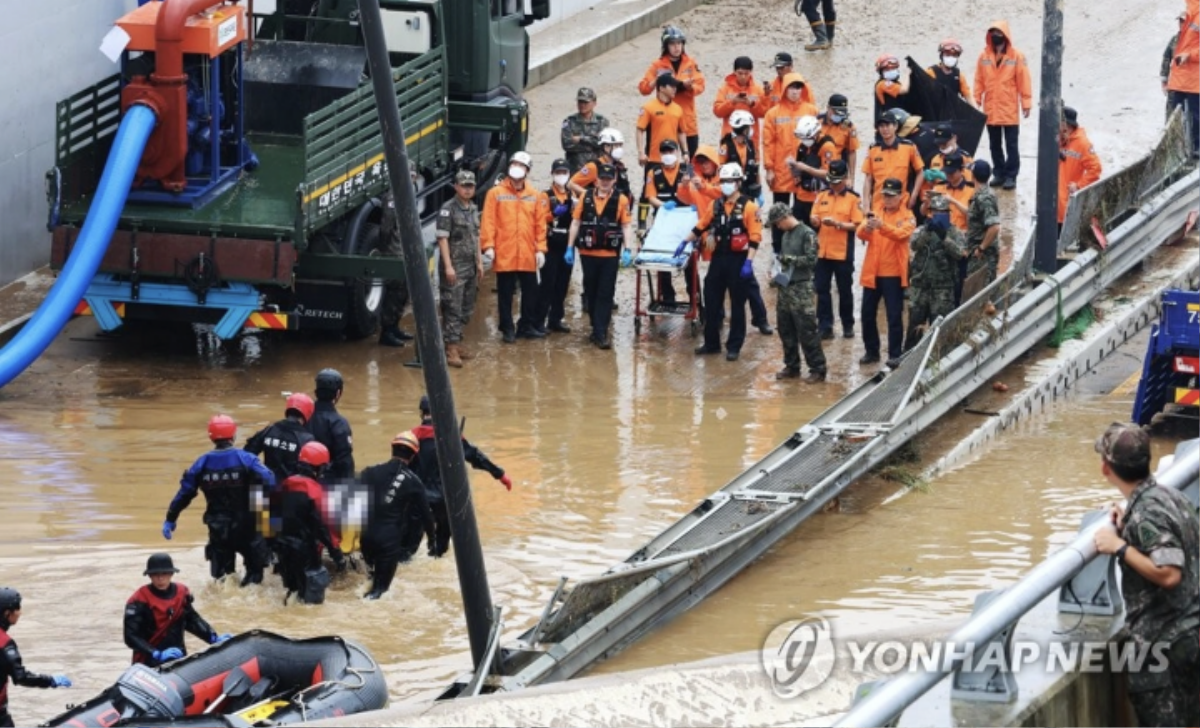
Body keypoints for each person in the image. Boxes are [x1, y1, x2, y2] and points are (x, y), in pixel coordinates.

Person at [1092, 423, 1200, 728]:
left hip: (1163, 645)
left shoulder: (1147, 513)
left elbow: (1169, 574)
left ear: (1106, 468)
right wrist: (1128, 526)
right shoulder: (1170, 496)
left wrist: (1119, 546)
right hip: (1189, 635)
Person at [164, 415, 277, 585]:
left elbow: (185, 493)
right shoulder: (246, 459)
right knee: (254, 576)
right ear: (233, 435)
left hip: (219, 528)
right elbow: (269, 480)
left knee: (223, 580)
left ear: (211, 437)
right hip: (248, 526)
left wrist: (171, 518)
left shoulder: (201, 463)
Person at [411, 395, 512, 558]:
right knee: (440, 546)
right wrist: (500, 474)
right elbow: (475, 456)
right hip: (443, 500)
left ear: (422, 413)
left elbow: (399, 466)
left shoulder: (412, 436)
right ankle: (435, 556)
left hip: (417, 499)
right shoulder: (451, 435)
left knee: (409, 547)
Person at [682, 163, 762, 361]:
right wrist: (684, 242)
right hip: (718, 259)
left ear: (738, 182)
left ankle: (734, 345)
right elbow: (701, 226)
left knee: (737, 304)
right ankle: (711, 343)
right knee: (712, 299)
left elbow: (755, 237)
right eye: (724, 181)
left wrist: (749, 263)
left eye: (730, 181)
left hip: (739, 260)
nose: (726, 185)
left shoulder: (749, 207)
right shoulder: (715, 205)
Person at [480, 150, 550, 343]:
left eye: (521, 166)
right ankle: (507, 328)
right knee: (505, 293)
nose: (517, 169)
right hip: (505, 252)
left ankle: (525, 325)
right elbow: (489, 221)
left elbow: (540, 225)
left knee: (531, 292)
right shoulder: (495, 194)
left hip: (527, 252)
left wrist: (541, 250)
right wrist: (488, 246)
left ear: (527, 171)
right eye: (515, 165)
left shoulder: (534, 195)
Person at [566, 163, 636, 349]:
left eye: (609, 179)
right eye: (602, 179)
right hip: (587, 254)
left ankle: (601, 332)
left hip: (610, 255)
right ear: (596, 180)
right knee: (591, 291)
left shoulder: (621, 200)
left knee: (606, 293)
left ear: (613, 180)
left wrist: (628, 249)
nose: (605, 182)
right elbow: (576, 222)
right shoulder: (585, 197)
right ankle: (595, 326)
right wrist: (569, 247)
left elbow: (626, 225)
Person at [358, 431, 435, 600]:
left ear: (392, 449)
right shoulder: (413, 482)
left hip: (366, 538)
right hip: (389, 542)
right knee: (380, 592)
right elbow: (426, 516)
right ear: (414, 455)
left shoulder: (369, 472)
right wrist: (432, 540)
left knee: (370, 580)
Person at [124, 554, 230, 666]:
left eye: (164, 573)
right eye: (156, 574)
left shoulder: (182, 594)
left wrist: (212, 637)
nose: (160, 578)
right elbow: (130, 636)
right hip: (148, 661)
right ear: (149, 576)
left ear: (171, 574)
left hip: (178, 656)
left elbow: (192, 620)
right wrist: (155, 653)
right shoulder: (139, 601)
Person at [275, 442, 346, 605]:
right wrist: (337, 555)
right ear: (319, 467)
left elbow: (272, 514)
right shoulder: (316, 492)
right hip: (306, 552)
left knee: (292, 591)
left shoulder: (286, 484)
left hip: (283, 549)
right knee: (312, 601)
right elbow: (325, 527)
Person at [857, 178, 916, 367]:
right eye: (885, 195)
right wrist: (867, 227)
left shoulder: (908, 216)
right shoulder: (875, 211)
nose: (888, 199)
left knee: (894, 316)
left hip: (893, 274)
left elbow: (901, 235)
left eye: (891, 196)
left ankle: (894, 354)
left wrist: (881, 226)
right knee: (867, 314)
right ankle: (871, 351)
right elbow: (860, 233)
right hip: (872, 271)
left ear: (901, 196)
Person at [766, 203, 826, 382]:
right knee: (785, 329)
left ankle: (817, 368)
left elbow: (811, 260)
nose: (777, 227)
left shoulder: (807, 234)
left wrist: (787, 259)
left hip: (802, 288)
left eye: (778, 223)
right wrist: (776, 275)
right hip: (786, 288)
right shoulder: (785, 235)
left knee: (807, 330)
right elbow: (785, 264)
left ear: (785, 218)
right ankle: (792, 365)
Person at [763, 72, 820, 253]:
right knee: (779, 213)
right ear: (784, 89)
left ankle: (802, 250)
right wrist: (769, 169)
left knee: (803, 213)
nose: (795, 91)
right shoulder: (773, 113)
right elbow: (768, 142)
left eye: (798, 87)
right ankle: (777, 250)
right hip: (781, 171)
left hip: (804, 172)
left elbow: (819, 139)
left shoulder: (812, 110)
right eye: (792, 87)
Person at [974, 21, 1032, 190]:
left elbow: (1024, 80)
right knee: (994, 144)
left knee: (1011, 145)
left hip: (1009, 109)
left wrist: (1026, 102)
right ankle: (999, 173)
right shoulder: (983, 57)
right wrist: (976, 98)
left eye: (998, 32)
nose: (996, 36)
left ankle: (1011, 175)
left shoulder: (1016, 56)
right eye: (993, 32)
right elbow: (979, 80)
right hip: (991, 109)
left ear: (1005, 35)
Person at [904, 193, 965, 351]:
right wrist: (927, 231)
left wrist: (944, 237)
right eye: (935, 212)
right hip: (921, 289)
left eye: (942, 212)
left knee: (941, 331)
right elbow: (914, 245)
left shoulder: (955, 233)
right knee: (914, 329)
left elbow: (960, 253)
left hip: (943, 290)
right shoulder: (922, 230)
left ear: (948, 214)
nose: (939, 215)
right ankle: (908, 361)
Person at [0, 588, 70, 727]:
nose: (20, 612)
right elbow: (20, 677)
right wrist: (50, 680)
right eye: (17, 608)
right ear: (7, 613)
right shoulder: (5, 643)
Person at [810, 160, 862, 340]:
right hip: (822, 251)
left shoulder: (854, 199)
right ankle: (825, 325)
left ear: (846, 179)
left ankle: (848, 324)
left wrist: (838, 224)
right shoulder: (822, 195)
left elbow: (858, 225)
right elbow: (813, 215)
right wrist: (815, 221)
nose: (833, 184)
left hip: (842, 252)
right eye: (831, 180)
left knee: (844, 290)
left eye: (837, 181)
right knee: (822, 289)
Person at [437, 170, 483, 367]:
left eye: (470, 186)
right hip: (455, 267)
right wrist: (448, 266)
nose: (467, 189)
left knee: (467, 306)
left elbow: (477, 236)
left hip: (470, 267)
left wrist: (480, 262)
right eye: (463, 185)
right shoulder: (448, 209)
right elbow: (442, 238)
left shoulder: (472, 208)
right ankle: (451, 347)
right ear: (456, 186)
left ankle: (456, 340)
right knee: (452, 307)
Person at [638, 26, 706, 157]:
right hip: (663, 121)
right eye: (673, 44)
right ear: (666, 46)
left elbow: (701, 86)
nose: (677, 47)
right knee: (658, 160)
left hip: (687, 120)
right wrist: (658, 80)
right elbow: (643, 88)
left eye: (679, 43)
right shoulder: (657, 65)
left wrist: (689, 87)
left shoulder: (690, 63)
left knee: (691, 161)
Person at [635, 73, 688, 230]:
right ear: (661, 88)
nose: (675, 89)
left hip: (673, 156)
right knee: (648, 190)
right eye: (672, 86)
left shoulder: (678, 109)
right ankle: (642, 223)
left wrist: (685, 151)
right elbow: (640, 130)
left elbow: (681, 132)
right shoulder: (648, 107)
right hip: (653, 157)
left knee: (672, 188)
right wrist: (640, 152)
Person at [646, 140, 693, 306]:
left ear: (678, 152)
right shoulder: (654, 172)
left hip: (685, 219)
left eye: (671, 151)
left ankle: (694, 295)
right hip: (664, 218)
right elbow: (650, 197)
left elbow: (696, 191)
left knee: (689, 258)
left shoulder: (687, 170)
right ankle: (667, 296)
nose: (668, 155)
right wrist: (663, 205)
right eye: (664, 152)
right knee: (663, 256)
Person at [861, 109, 925, 215]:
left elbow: (920, 171)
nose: (885, 129)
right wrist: (866, 205)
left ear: (895, 126)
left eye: (888, 125)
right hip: (878, 204)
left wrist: (914, 195)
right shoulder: (873, 149)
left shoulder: (908, 146)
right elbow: (868, 178)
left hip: (902, 203)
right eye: (881, 126)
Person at [245, 393, 316, 484]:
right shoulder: (307, 439)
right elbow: (310, 471)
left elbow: (247, 454)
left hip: (267, 485)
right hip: (291, 490)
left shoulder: (269, 430)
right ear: (308, 413)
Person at [539, 159, 575, 334]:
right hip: (550, 243)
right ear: (552, 174)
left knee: (562, 284)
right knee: (547, 283)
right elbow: (539, 217)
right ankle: (540, 319)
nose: (561, 175)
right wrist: (553, 214)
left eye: (564, 172)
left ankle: (556, 319)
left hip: (567, 243)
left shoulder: (571, 196)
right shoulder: (545, 195)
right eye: (558, 172)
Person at [377, 189, 415, 348]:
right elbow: (386, 227)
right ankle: (387, 332)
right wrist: (386, 249)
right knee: (394, 290)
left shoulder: (409, 190)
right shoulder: (394, 195)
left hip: (404, 249)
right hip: (394, 250)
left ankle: (394, 327)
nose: (412, 178)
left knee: (403, 292)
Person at [1057, 106, 1103, 229]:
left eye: (1059, 123)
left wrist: (1078, 185)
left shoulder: (1082, 143)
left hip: (1066, 206)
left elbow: (1096, 169)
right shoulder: (1055, 140)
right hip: (1050, 205)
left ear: (1066, 125)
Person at [787, 115, 837, 227]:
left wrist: (805, 168)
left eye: (807, 138)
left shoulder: (827, 146)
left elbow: (829, 174)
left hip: (818, 198)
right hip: (801, 196)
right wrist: (794, 169)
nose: (804, 141)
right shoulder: (803, 147)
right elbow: (798, 171)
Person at [1166, 0, 1200, 157]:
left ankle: (1195, 153)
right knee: (1174, 121)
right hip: (1179, 79)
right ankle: (1173, 154)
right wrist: (1165, 78)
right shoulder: (1189, 9)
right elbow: (1170, 52)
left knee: (1195, 120)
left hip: (1194, 81)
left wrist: (1190, 55)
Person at [309, 368, 354, 479]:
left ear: (316, 391)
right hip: (327, 481)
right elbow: (345, 463)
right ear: (338, 393)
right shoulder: (339, 423)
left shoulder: (303, 416)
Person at [964, 160, 1002, 286]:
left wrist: (981, 248)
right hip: (976, 252)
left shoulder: (984, 197)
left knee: (981, 294)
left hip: (983, 256)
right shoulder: (981, 195)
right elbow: (974, 215)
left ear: (973, 175)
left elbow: (994, 227)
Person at [713, 56, 768, 140]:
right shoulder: (725, 89)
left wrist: (752, 104)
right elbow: (717, 112)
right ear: (734, 72)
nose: (743, 76)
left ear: (751, 72)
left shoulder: (758, 89)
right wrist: (732, 102)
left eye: (746, 73)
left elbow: (764, 113)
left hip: (751, 138)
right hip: (730, 138)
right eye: (740, 73)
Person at [561, 87, 611, 174]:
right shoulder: (569, 121)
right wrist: (592, 144)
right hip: (575, 170)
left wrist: (581, 139)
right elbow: (567, 144)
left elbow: (603, 144)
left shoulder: (602, 121)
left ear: (594, 103)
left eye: (586, 102)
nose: (582, 105)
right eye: (580, 102)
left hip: (597, 169)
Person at [926, 38, 975, 107]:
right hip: (935, 112)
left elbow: (968, 96)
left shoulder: (959, 76)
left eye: (954, 55)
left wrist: (977, 112)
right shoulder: (931, 72)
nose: (951, 57)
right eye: (948, 54)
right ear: (941, 55)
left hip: (952, 113)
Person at [819, 94, 859, 176]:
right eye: (836, 112)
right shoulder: (817, 123)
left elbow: (852, 152)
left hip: (838, 169)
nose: (838, 116)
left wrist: (851, 178)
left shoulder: (849, 127)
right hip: (819, 169)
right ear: (828, 108)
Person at [874, 55, 909, 119]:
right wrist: (908, 74)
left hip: (897, 118)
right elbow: (904, 90)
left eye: (893, 68)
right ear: (881, 71)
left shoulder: (896, 83)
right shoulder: (883, 84)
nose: (891, 71)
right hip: (888, 122)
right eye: (887, 69)